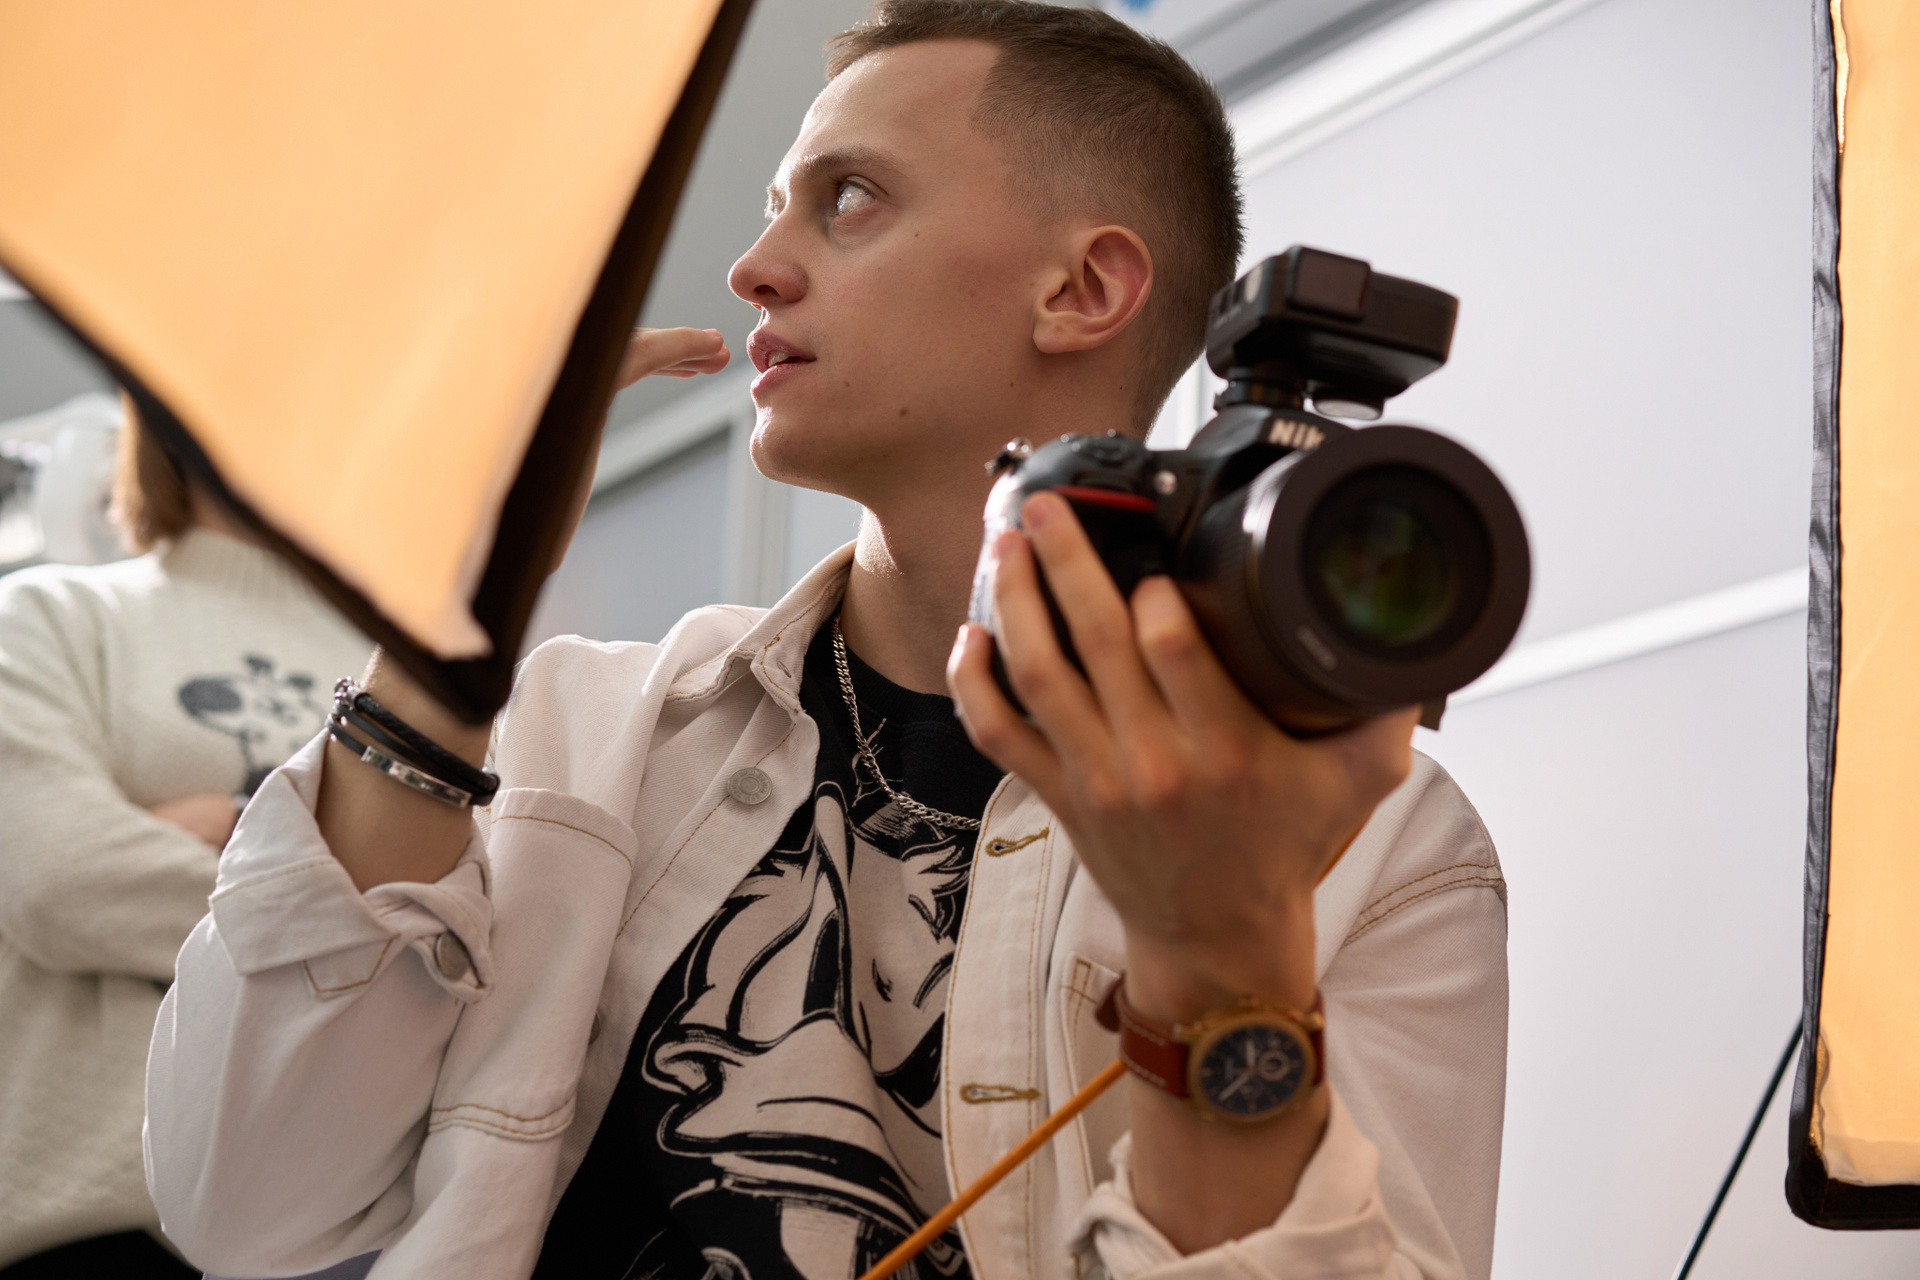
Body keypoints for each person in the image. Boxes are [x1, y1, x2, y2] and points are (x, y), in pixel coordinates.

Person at [145, 4, 1509, 1279]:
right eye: (774, 205)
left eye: (848, 197)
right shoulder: (576, 735)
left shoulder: (1368, 839)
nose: (753, 268)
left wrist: (1220, 959)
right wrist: (449, 627)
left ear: (1082, 286)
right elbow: (246, 1201)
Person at [0, 405, 371, 1276]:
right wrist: (353, 892)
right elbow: (67, 881)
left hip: (369, 1225)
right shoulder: (47, 615)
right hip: (104, 1212)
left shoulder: (420, 678)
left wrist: (226, 834)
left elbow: (482, 929)